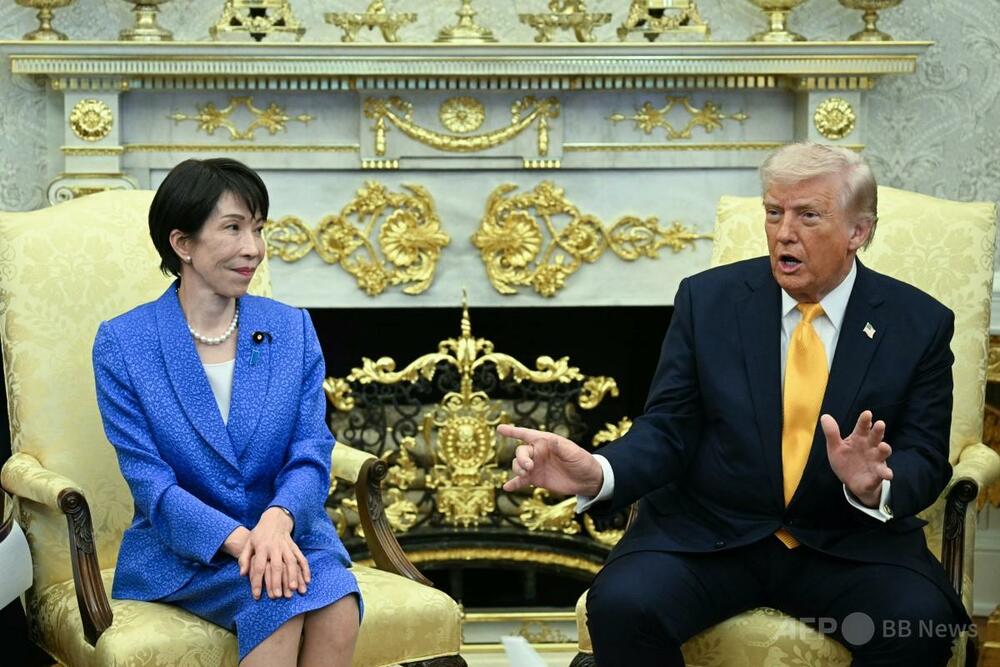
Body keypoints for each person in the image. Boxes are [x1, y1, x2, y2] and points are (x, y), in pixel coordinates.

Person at [500, 143, 968, 666]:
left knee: (919, 625)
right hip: (711, 537)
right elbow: (668, 427)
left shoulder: (918, 323)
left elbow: (926, 455)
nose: (784, 232)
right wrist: (599, 472)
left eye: (808, 215)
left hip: (846, 543)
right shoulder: (708, 301)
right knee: (622, 604)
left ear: (857, 232)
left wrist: (873, 484)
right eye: (774, 212)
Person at [93, 158, 360, 666]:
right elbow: (151, 483)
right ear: (183, 243)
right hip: (186, 550)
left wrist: (277, 523)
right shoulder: (124, 344)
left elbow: (311, 450)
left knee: (339, 605)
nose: (253, 248)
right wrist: (244, 543)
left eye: (257, 229)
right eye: (233, 228)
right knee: (279, 602)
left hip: (290, 534)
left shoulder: (292, 329)